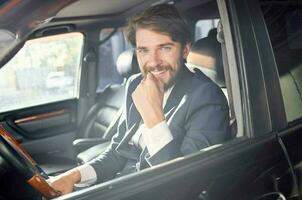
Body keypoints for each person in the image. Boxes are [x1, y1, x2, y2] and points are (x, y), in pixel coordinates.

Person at [50, 4, 231, 195]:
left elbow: (183, 188)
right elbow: (118, 152)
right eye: (143, 50)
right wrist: (73, 176)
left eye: (165, 47)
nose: (153, 61)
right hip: (126, 186)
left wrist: (154, 119)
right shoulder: (135, 84)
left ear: (185, 50)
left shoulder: (207, 98)